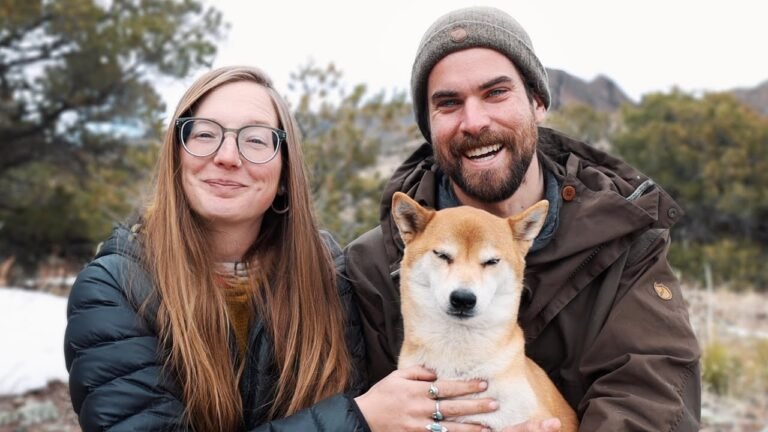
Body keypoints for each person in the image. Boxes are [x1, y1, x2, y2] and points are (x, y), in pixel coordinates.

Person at [64, 65, 496, 432]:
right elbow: (366, 412)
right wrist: (356, 419)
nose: (227, 156)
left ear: (285, 172)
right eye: (204, 134)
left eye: (255, 139)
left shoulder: (330, 274)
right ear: (176, 156)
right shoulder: (115, 288)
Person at [345, 7, 701, 432]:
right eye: (448, 103)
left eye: (495, 93)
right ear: (429, 125)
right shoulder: (366, 266)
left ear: (537, 102)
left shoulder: (623, 243)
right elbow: (326, 405)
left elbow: (652, 401)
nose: (474, 121)